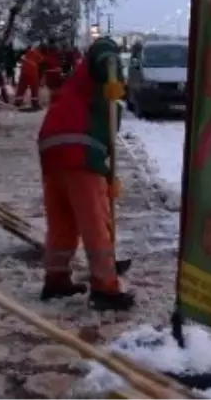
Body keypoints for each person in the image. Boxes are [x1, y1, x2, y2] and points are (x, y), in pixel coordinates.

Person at [36, 37, 135, 312]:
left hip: (51, 147)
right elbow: (104, 53)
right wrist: (110, 66)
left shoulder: (80, 82)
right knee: (95, 220)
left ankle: (56, 280)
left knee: (63, 220)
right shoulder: (101, 65)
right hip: (78, 148)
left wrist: (105, 174)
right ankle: (105, 287)